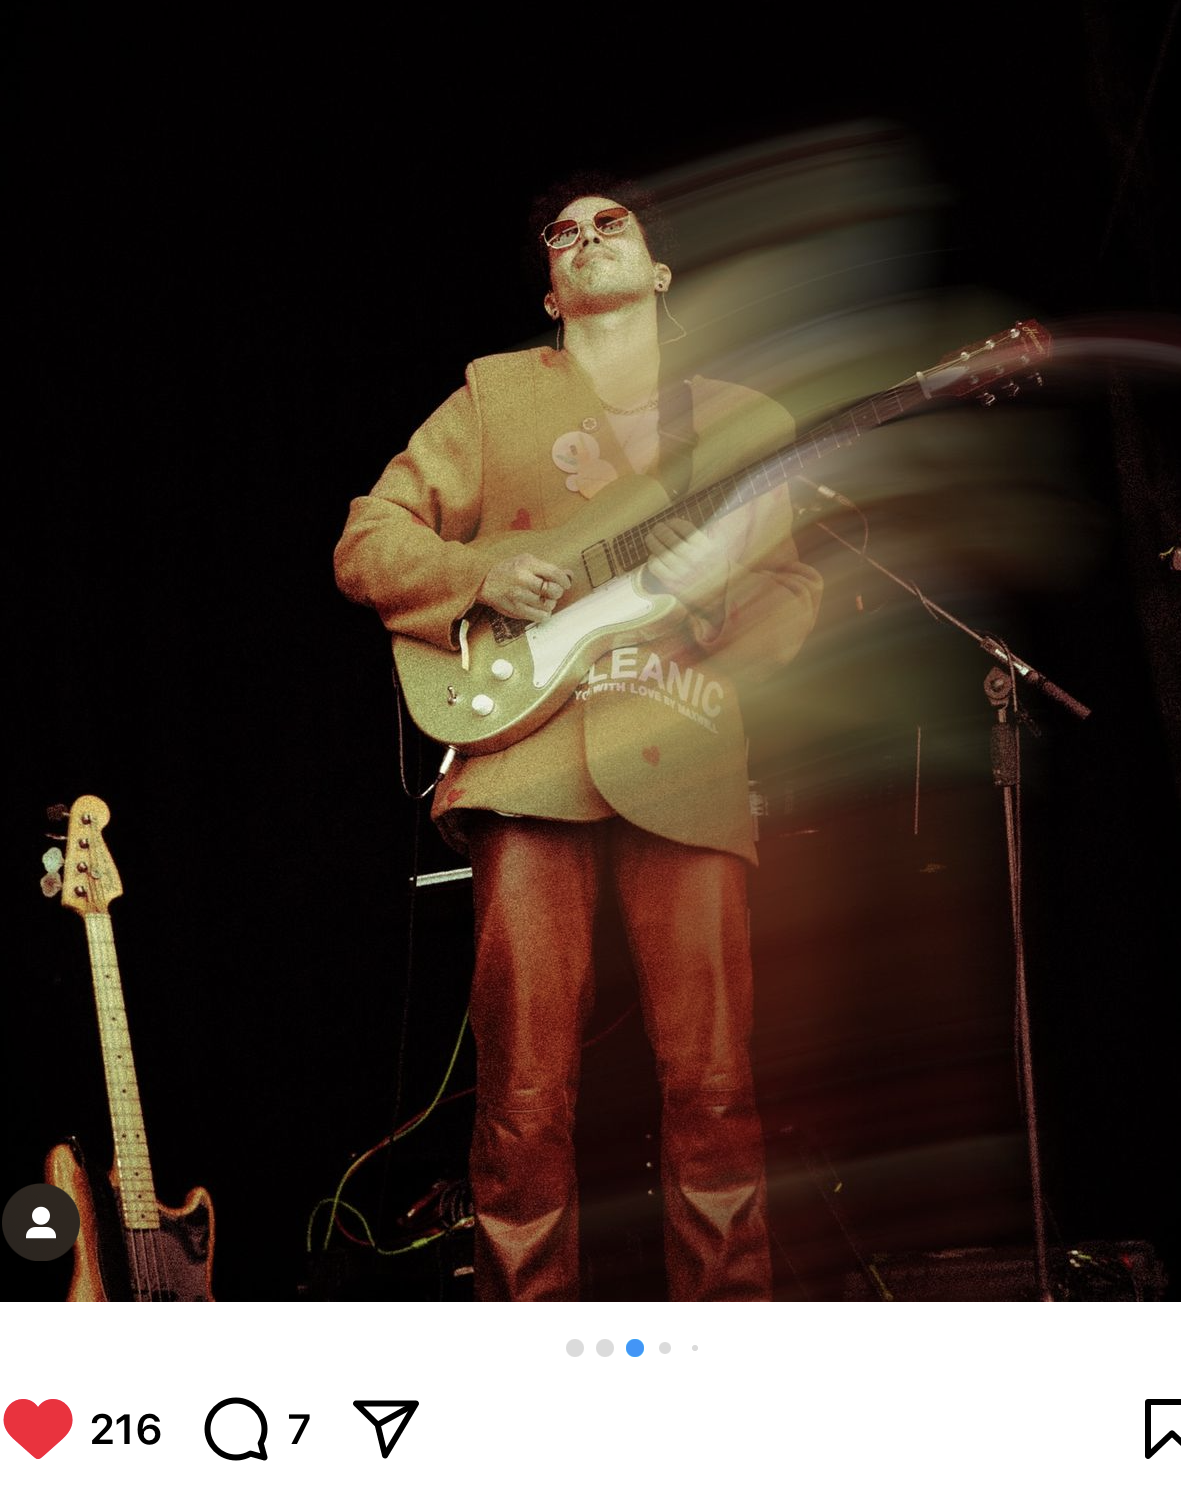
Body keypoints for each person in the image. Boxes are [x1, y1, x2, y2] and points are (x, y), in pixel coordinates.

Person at [334, 178, 822, 1301]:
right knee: (522, 1092)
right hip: (528, 758)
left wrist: (723, 625)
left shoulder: (745, 421)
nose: (588, 238)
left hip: (687, 748)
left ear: (657, 272)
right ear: (552, 291)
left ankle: (725, 1338)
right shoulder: (494, 398)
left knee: (713, 1083)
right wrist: (477, 574)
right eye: (565, 232)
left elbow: (790, 591)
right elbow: (368, 539)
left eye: (616, 225)